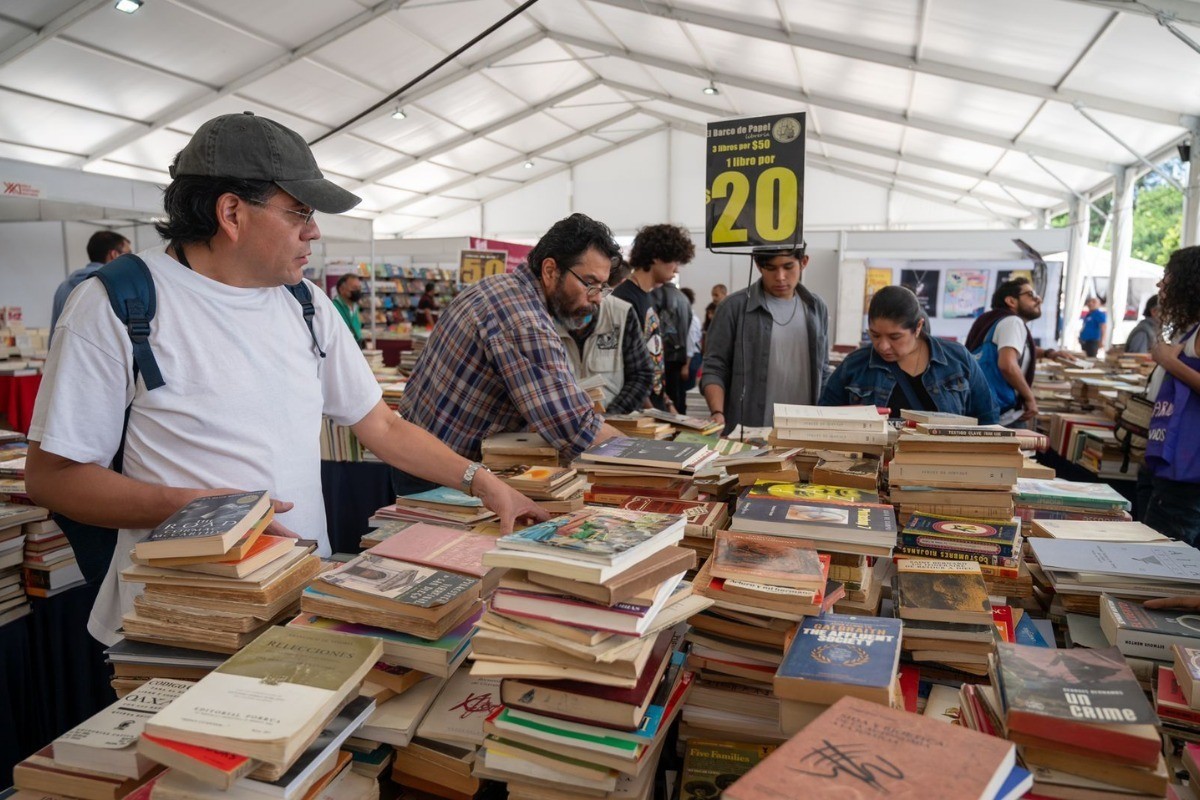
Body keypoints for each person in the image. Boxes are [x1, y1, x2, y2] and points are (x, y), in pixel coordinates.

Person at [24, 111, 545, 646]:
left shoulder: (305, 304)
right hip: (183, 616)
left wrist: (483, 483)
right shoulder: (116, 304)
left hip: (297, 594)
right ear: (231, 212)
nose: (314, 231)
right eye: (299, 212)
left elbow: (382, 428)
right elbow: (53, 477)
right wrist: (203, 507)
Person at [392, 213, 626, 495]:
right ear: (550, 270)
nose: (597, 298)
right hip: (439, 476)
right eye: (589, 284)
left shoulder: (499, 287)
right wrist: (650, 457)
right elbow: (575, 428)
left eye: (602, 287)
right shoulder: (524, 320)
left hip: (423, 457)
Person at [702, 246, 830, 435]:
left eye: (788, 267)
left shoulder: (816, 308)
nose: (780, 276)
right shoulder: (733, 308)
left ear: (804, 262)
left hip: (805, 430)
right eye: (771, 268)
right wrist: (717, 412)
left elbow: (823, 369)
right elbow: (714, 367)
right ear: (758, 266)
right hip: (748, 431)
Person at [820, 286, 997, 423]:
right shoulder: (856, 365)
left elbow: (987, 416)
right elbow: (823, 418)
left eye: (894, 337)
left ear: (918, 327)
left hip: (947, 465)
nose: (882, 346)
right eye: (874, 335)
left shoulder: (957, 359)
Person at [1141, 246, 1200, 547]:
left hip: (1187, 471)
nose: (1160, 284)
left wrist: (1169, 361)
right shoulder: (1192, 329)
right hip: (1178, 466)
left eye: (1167, 277)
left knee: (1163, 556)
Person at [612, 224, 695, 412]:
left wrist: (667, 404)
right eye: (674, 261)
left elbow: (653, 359)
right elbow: (626, 366)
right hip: (638, 414)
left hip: (655, 409)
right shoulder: (624, 299)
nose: (677, 270)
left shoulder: (647, 296)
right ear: (657, 256)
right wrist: (651, 411)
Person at [965, 277, 1058, 429]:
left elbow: (1016, 350)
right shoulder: (1012, 322)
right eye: (1031, 294)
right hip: (1005, 417)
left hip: (981, 410)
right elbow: (1007, 364)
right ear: (1011, 301)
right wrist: (1029, 398)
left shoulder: (988, 320)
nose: (1038, 299)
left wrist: (1048, 353)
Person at [557, 291, 653, 415]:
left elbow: (642, 374)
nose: (596, 297)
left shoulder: (621, 313)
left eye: (599, 286)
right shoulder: (541, 317)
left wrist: (610, 416)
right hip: (559, 426)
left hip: (611, 421)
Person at [49, 231, 131, 343]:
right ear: (114, 254)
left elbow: (54, 333)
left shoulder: (63, 286)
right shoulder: (113, 286)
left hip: (63, 358)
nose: (131, 258)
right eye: (128, 253)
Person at [654, 281, 693, 413]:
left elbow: (662, 328)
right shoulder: (684, 298)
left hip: (665, 353)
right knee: (679, 394)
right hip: (680, 354)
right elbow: (688, 325)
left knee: (666, 394)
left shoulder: (659, 295)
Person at [680, 287, 703, 398]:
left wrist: (686, 366)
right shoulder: (689, 316)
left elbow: (690, 342)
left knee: (685, 393)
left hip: (691, 358)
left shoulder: (691, 318)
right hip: (690, 358)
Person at [332, 273, 364, 345]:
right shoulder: (333, 307)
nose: (358, 291)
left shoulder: (356, 306)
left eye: (359, 288)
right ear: (341, 289)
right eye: (354, 288)